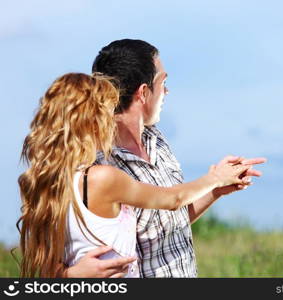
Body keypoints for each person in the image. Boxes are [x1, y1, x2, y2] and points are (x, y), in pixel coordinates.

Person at [17, 73, 252, 277]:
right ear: (92, 121)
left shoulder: (46, 184)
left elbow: (45, 265)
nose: (112, 121)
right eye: (107, 113)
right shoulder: (102, 178)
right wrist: (215, 178)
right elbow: (173, 200)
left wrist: (70, 274)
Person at [65, 39, 266, 278]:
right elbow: (52, 257)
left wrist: (216, 190)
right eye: (164, 82)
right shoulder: (97, 164)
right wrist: (70, 276)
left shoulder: (156, 140)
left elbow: (167, 220)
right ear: (143, 92)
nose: (167, 91)